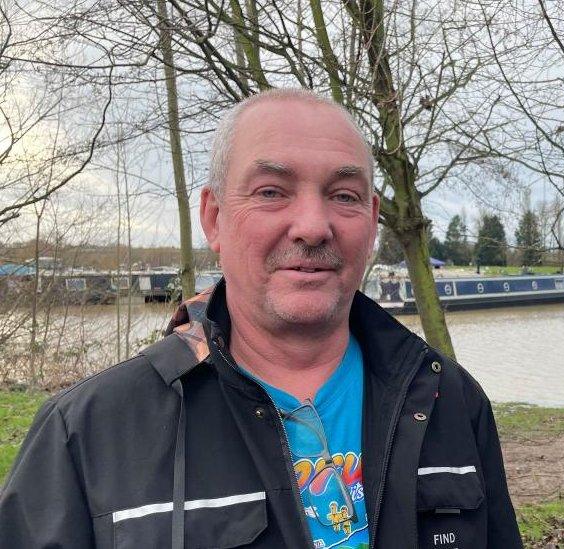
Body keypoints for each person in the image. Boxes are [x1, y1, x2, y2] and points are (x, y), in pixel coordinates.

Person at [0, 89, 521, 549]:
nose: (314, 227)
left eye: (344, 196)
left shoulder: (449, 400)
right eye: (272, 191)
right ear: (213, 218)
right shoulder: (85, 435)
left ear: (371, 217)